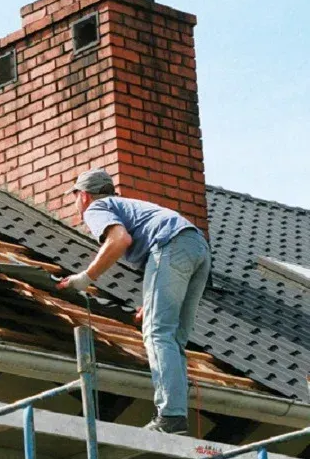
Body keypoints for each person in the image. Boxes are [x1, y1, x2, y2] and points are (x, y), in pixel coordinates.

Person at [57, 168, 210, 435]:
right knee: (173, 338)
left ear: (83, 195)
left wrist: (85, 277)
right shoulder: (128, 206)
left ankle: (171, 418)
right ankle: (175, 417)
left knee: (157, 333)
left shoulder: (98, 207)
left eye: (75, 197)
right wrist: (152, 299)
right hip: (197, 247)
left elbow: (119, 239)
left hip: (171, 244)